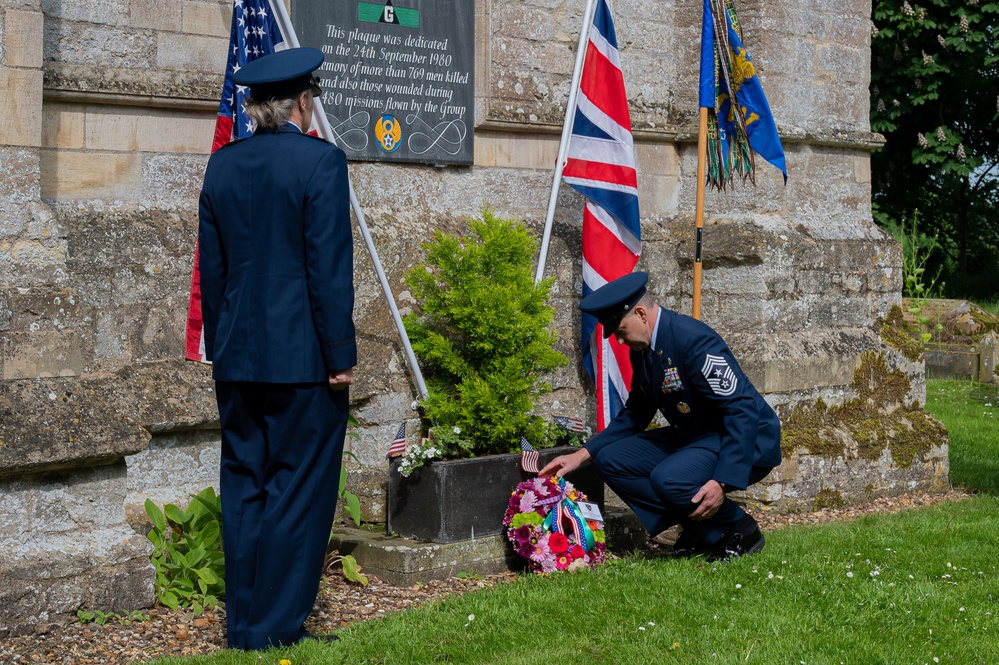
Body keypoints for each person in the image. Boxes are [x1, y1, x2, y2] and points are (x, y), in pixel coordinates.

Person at [197, 47, 355, 649]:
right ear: (302, 102)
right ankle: (277, 627)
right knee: (297, 488)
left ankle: (244, 627)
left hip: (237, 359)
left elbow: (213, 273)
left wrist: (223, 343)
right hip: (304, 362)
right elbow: (327, 270)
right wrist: (340, 355)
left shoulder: (223, 166)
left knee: (244, 486)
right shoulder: (320, 163)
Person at [539, 272, 781, 561]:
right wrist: (581, 455)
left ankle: (742, 528)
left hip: (745, 437)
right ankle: (701, 530)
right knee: (611, 460)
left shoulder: (693, 341)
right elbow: (635, 414)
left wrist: (722, 482)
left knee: (668, 478)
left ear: (640, 313)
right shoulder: (642, 351)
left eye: (619, 330)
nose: (618, 339)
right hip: (698, 437)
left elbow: (741, 411)